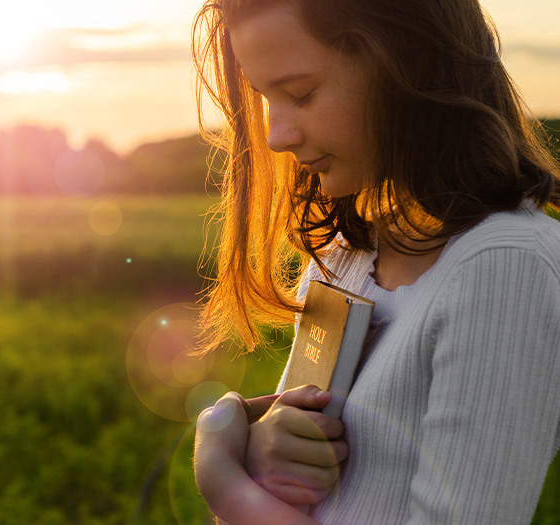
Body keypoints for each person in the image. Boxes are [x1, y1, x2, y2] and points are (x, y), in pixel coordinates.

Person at [189, 0, 560, 523]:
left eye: (300, 94)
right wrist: (268, 451)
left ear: (408, 63)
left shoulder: (505, 267)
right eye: (266, 99)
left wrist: (222, 476)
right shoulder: (343, 261)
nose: (276, 136)